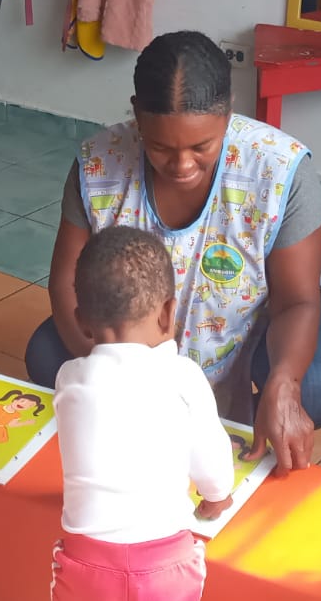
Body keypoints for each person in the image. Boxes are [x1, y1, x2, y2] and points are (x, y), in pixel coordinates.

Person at [27, 31, 321, 475]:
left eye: (202, 147)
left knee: (319, 387)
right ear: (137, 114)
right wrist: (123, 376)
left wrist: (284, 383)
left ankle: (248, 412)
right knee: (47, 355)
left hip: (251, 323)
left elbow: (297, 300)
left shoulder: (279, 170)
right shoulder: (98, 166)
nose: (181, 166)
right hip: (135, 325)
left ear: (228, 113)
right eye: (160, 147)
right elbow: (66, 283)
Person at [51, 226, 233, 601]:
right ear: (168, 313)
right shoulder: (184, 376)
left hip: (86, 568)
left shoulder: (69, 378)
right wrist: (216, 495)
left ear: (81, 320)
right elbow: (213, 466)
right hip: (168, 569)